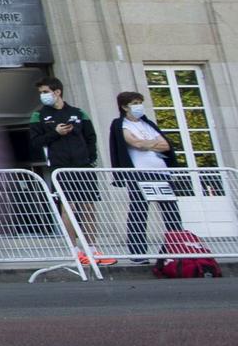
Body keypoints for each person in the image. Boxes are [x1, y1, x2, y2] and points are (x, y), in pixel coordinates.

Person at [32, 78, 107, 265]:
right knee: (69, 207)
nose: (43, 95)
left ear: (57, 92)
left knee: (88, 207)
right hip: (60, 166)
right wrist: (55, 132)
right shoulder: (38, 115)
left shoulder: (78, 113)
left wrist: (90, 158)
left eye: (45, 91)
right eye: (41, 92)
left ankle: (92, 248)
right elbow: (35, 142)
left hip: (83, 166)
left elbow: (91, 137)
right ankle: (73, 249)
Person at [110, 90, 186, 260]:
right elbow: (135, 143)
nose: (138, 106)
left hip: (160, 171)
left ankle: (177, 248)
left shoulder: (148, 124)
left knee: (171, 210)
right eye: (134, 103)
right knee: (139, 210)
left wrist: (147, 144)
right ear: (124, 106)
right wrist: (150, 144)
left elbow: (165, 145)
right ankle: (138, 252)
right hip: (139, 173)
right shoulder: (120, 124)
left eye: (140, 102)